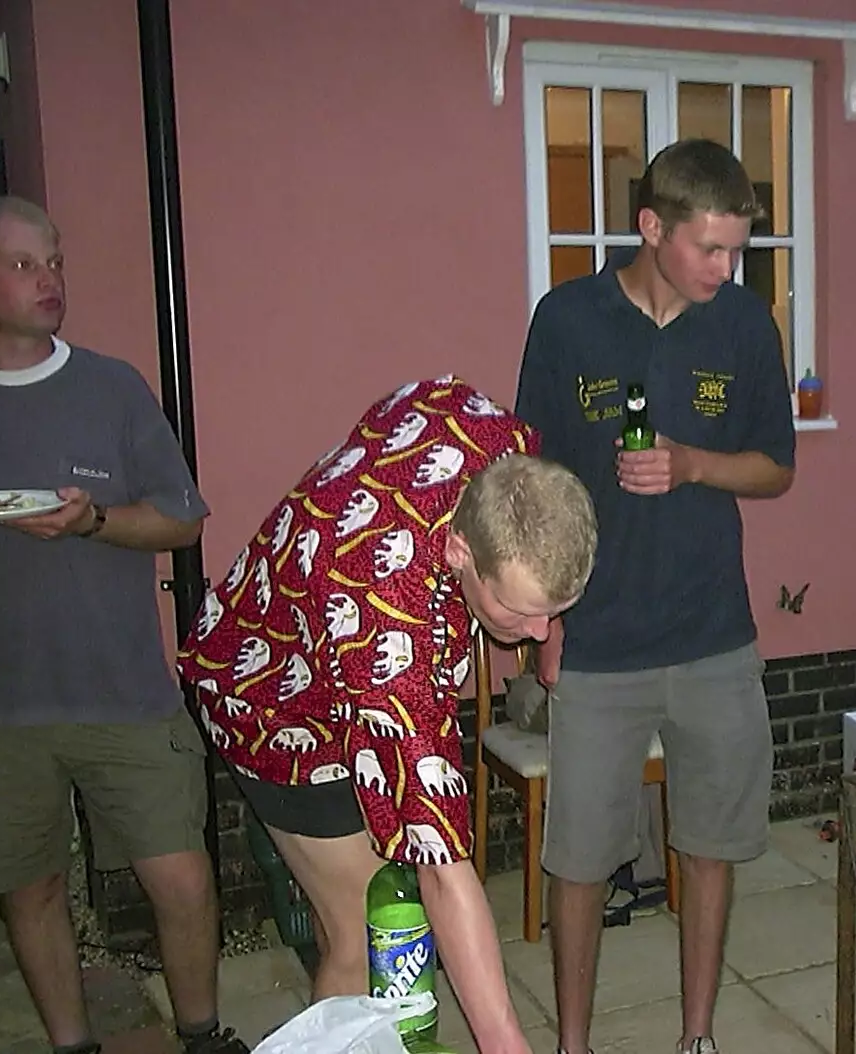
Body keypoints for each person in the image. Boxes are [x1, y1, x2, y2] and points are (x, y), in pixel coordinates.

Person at [175, 376, 595, 1054]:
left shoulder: (503, 445)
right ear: (461, 551)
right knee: (373, 925)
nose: (543, 631)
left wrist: (540, 623)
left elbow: (414, 399)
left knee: (394, 915)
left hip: (331, 624)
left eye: (556, 611)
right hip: (269, 696)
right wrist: (505, 1040)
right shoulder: (385, 622)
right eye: (522, 613)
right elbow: (441, 865)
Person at [514, 138, 796, 1054]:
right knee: (582, 861)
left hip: (714, 635)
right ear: (651, 226)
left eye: (737, 250)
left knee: (709, 845)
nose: (727, 268)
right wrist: (547, 624)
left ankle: (698, 1037)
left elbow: (775, 467)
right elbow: (536, 484)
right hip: (598, 639)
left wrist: (694, 466)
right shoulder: (566, 321)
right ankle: (574, 1045)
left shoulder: (746, 326)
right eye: (710, 248)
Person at [0, 196, 245, 1053]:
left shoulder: (111, 387)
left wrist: (92, 522)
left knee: (183, 879)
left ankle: (200, 1036)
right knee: (32, 887)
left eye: (54, 261)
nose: (48, 280)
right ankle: (71, 1045)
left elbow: (184, 520)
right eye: (21, 265)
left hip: (124, 689)